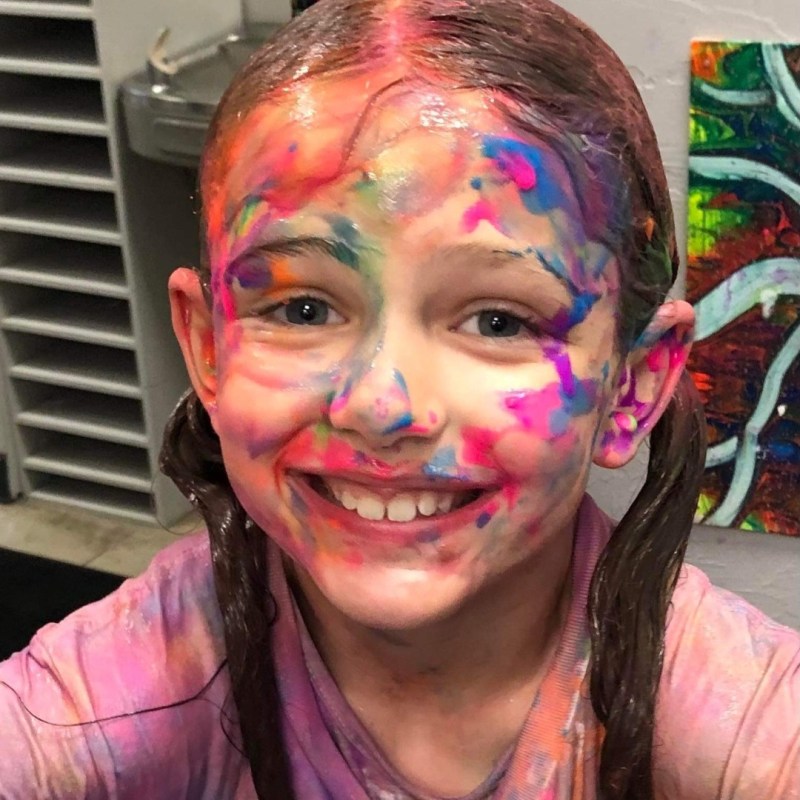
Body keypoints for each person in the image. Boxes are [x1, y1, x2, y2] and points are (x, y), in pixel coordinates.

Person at [1, 1, 798, 798]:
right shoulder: (107, 695)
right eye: (301, 308)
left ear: (630, 386)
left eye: (497, 320)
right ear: (208, 350)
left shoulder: (741, 718)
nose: (382, 405)